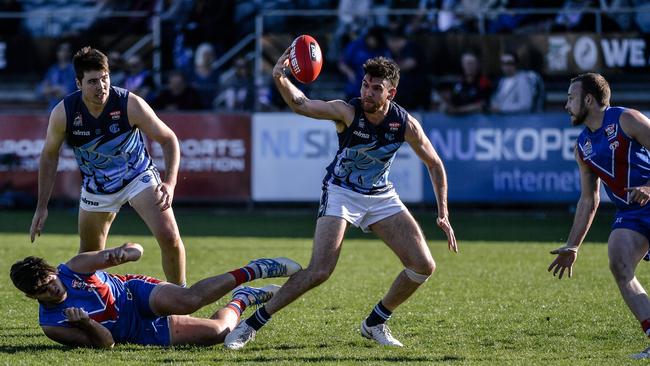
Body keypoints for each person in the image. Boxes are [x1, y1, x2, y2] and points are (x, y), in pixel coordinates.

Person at [224, 53, 458, 350]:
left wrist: (443, 214)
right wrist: (279, 77)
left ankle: (375, 322)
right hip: (341, 192)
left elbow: (435, 164)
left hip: (380, 194)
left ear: (391, 93)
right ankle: (251, 324)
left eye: (376, 88)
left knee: (423, 265)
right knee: (320, 271)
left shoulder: (404, 123)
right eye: (365, 85)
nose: (367, 92)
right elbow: (302, 104)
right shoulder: (348, 112)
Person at [29, 47, 187, 286]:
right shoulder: (64, 112)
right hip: (97, 187)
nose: (101, 87)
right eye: (92, 81)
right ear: (78, 83)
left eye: (105, 78)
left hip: (138, 176)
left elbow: (168, 139)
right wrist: (42, 206)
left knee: (170, 236)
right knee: (88, 257)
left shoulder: (129, 103)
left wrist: (170, 182)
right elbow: (49, 156)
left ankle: (180, 297)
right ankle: (95, 307)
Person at [10, 243, 301, 347]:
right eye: (42, 291)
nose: (53, 288)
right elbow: (107, 344)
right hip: (136, 332)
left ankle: (253, 270)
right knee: (218, 333)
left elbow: (133, 247)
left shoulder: (73, 268)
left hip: (133, 294)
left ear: (52, 272)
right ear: (30, 296)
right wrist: (86, 324)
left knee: (188, 301)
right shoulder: (52, 325)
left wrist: (127, 253)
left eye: (50, 280)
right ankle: (245, 297)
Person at [548, 73, 650, 359]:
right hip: (631, 212)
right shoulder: (582, 147)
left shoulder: (626, 119)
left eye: (571, 98)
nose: (566, 105)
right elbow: (588, 199)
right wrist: (573, 245)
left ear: (588, 100)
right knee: (619, 263)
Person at [40, 42, 77, 112]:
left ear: (70, 53)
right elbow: (42, 90)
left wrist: (51, 91)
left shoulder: (74, 70)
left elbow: (67, 92)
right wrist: (57, 89)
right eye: (60, 50)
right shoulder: (52, 70)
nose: (62, 53)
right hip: (52, 110)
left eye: (65, 50)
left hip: (69, 111)